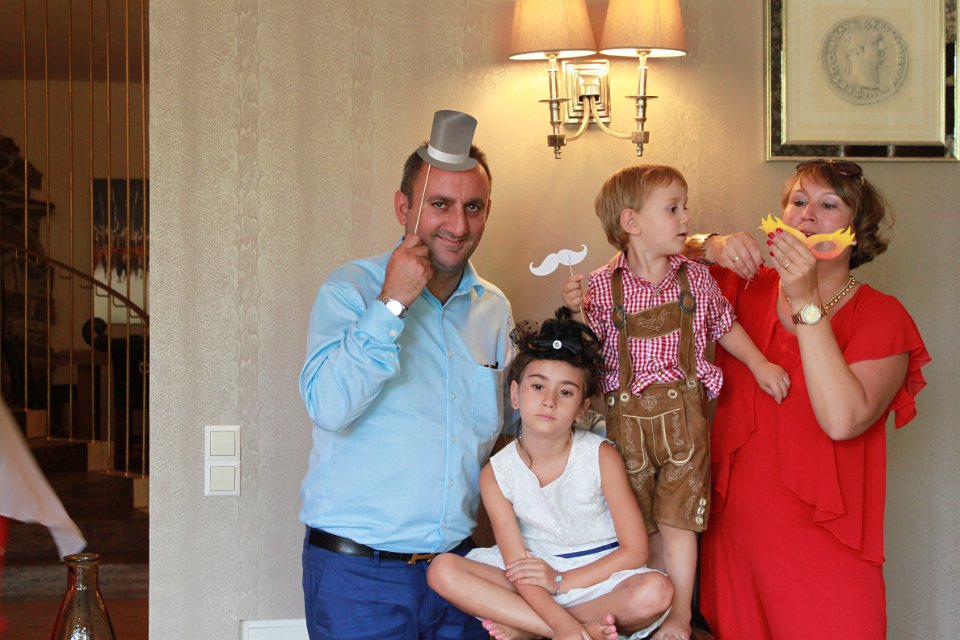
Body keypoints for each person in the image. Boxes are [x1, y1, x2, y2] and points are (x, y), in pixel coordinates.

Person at [298, 110, 515, 640]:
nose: (458, 226)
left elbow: (516, 433)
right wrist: (392, 302)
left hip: (460, 576)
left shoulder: (494, 309)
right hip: (357, 577)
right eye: (440, 204)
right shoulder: (351, 290)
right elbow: (328, 406)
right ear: (404, 207)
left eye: (473, 207)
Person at [694, 159, 931, 639]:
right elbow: (648, 254)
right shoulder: (744, 288)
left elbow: (842, 420)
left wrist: (806, 301)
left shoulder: (882, 317)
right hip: (736, 542)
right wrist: (711, 244)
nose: (808, 214)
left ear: (856, 230)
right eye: (798, 202)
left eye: (829, 205)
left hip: (828, 550)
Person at [560, 165, 789, 640]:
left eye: (685, 207)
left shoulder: (696, 279)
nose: (687, 218)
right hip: (624, 425)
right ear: (631, 222)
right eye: (673, 209)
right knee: (639, 527)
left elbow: (724, 326)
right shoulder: (600, 286)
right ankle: (648, 617)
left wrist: (761, 365)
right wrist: (577, 312)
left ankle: (681, 614)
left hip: (684, 422)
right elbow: (589, 354)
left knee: (681, 520)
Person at [427, 308, 674, 640]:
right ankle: (575, 630)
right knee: (443, 570)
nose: (549, 401)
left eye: (566, 392)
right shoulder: (496, 474)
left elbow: (634, 551)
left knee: (655, 591)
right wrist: (562, 624)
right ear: (515, 395)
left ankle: (529, 628)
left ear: (583, 408)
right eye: (538, 386)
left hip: (599, 579)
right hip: (530, 580)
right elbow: (517, 567)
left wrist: (560, 581)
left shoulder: (600, 456)